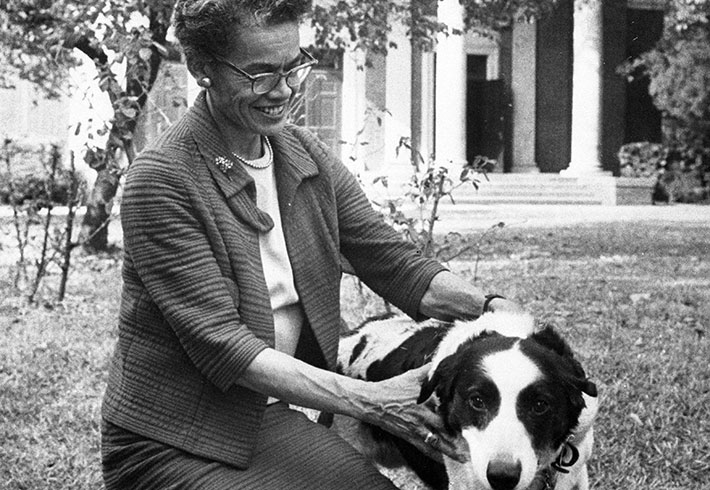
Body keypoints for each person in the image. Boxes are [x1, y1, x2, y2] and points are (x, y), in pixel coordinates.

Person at [100, 1, 518, 488]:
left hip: (265, 420)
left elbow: (394, 262)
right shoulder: (163, 178)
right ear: (201, 69)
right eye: (259, 74)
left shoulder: (303, 153)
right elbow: (225, 347)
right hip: (170, 440)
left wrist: (493, 308)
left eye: (293, 65)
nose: (284, 90)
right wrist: (374, 401)